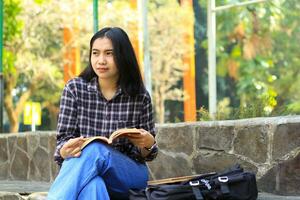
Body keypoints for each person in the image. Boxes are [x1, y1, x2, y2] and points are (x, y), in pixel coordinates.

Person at [47, 27, 158, 200]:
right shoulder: (75, 89)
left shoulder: (139, 96)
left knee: (96, 150)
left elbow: (146, 154)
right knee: (93, 186)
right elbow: (62, 142)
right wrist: (64, 151)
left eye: (109, 53)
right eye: (95, 53)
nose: (101, 60)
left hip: (129, 176)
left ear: (122, 56)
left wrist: (148, 144)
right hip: (86, 168)